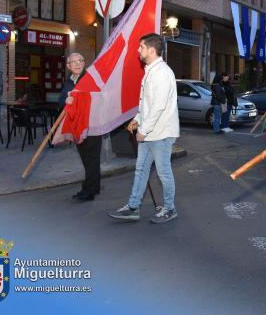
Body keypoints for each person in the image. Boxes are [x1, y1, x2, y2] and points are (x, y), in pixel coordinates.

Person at [107, 33, 180, 223]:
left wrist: (143, 130)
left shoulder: (162, 73)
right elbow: (147, 104)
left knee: (164, 172)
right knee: (141, 170)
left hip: (161, 133)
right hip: (150, 132)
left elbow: (158, 106)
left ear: (151, 50)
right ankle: (133, 207)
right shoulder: (151, 71)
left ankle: (170, 209)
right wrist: (137, 119)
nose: (138, 50)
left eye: (141, 47)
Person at [59, 52, 102, 202]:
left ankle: (88, 191)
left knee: (91, 159)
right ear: (68, 66)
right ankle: (94, 187)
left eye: (81, 60)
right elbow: (61, 101)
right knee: (86, 158)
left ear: (84, 63)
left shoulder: (90, 79)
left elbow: (97, 99)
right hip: (77, 126)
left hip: (92, 125)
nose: (77, 64)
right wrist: (66, 101)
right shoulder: (69, 81)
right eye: (74, 62)